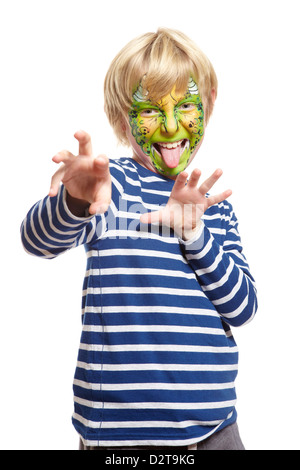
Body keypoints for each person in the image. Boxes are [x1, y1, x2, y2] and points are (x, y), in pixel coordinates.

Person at [21, 27, 257, 450]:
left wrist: (194, 231)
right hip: (115, 436)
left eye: (186, 106)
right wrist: (74, 200)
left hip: (214, 430)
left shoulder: (214, 207)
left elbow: (243, 309)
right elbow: (37, 242)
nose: (170, 127)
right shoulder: (109, 187)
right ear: (120, 115)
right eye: (149, 112)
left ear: (210, 100)